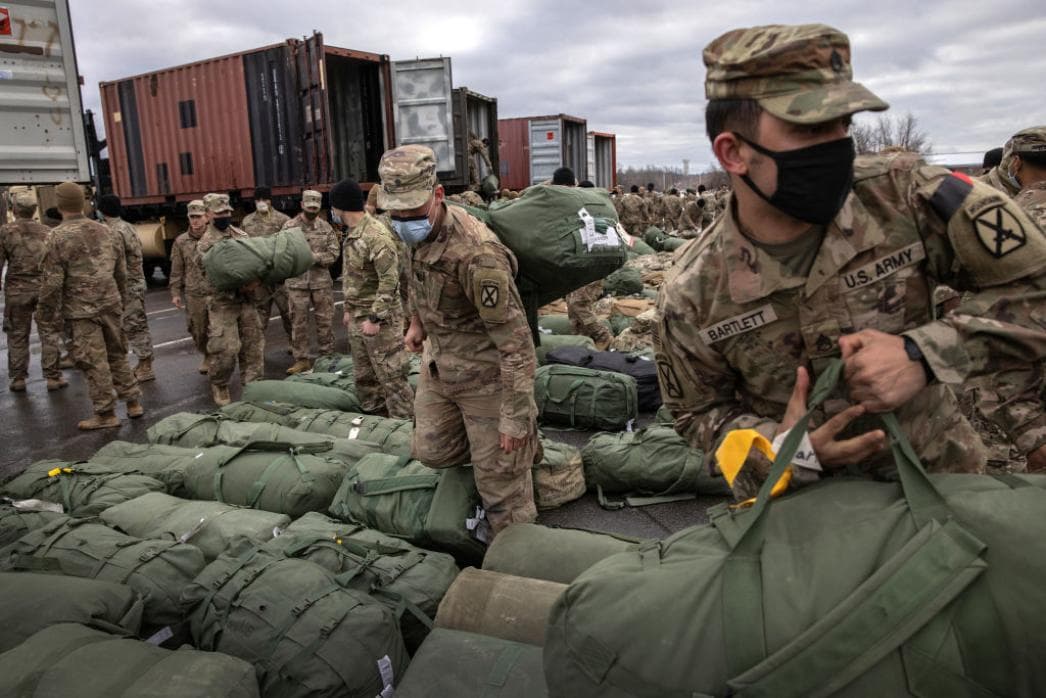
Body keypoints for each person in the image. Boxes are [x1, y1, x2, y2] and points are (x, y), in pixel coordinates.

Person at [655, 23, 1046, 501]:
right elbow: (697, 415)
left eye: (844, 125)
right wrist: (785, 451)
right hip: (805, 517)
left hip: (942, 485)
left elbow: (1036, 285)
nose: (838, 145)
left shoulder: (906, 197)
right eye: (811, 128)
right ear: (733, 152)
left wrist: (924, 354)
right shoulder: (692, 292)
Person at [379, 144, 539, 537]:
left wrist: (515, 419)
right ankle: (505, 458)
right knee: (431, 451)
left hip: (487, 379)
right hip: (441, 366)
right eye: (394, 212)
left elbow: (517, 346)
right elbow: (418, 280)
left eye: (411, 212)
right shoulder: (413, 231)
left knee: (501, 489)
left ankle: (510, 557)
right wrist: (417, 324)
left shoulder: (477, 256)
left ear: (437, 196)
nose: (402, 221)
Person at [38, 182, 142, 428]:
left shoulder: (56, 236)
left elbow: (52, 282)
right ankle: (133, 402)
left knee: (93, 360)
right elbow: (121, 272)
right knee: (117, 353)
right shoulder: (108, 231)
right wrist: (119, 298)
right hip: (110, 303)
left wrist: (45, 313)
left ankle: (105, 414)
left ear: (60, 204)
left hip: (81, 310)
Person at [332, 178, 414, 418]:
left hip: (380, 322)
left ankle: (404, 430)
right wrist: (348, 309)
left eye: (333, 207)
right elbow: (353, 277)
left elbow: (390, 281)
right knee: (365, 378)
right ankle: (376, 425)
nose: (332, 212)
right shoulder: (353, 233)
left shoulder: (376, 235)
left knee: (392, 379)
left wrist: (375, 318)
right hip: (359, 318)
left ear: (340, 206)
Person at [197, 193, 264, 406]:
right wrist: (240, 285)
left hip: (247, 302)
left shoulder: (241, 235)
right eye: (219, 213)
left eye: (227, 212)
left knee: (253, 347)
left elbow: (254, 261)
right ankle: (219, 383)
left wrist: (257, 279)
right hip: (223, 304)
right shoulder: (205, 245)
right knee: (226, 350)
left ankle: (253, 390)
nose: (224, 216)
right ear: (208, 215)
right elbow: (211, 278)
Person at [0, 192, 66, 392]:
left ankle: (18, 378)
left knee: (17, 334)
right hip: (44, 289)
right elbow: (56, 262)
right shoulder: (47, 231)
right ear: (34, 210)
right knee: (49, 332)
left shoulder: (6, 231)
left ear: (15, 210)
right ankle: (53, 377)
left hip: (17, 291)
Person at [97, 194, 155, 382]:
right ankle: (143, 362)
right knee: (136, 323)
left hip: (126, 285)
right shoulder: (127, 226)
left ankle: (145, 365)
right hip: (135, 283)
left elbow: (115, 263)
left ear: (103, 210)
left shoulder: (112, 231)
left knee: (134, 325)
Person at [555, 170, 614, 350]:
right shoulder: (589, 205)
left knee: (577, 303)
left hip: (591, 262)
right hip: (584, 262)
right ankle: (581, 342)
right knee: (573, 307)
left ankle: (603, 336)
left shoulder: (583, 206)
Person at [282, 189, 339, 374]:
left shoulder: (326, 228)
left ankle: (327, 358)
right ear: (302, 205)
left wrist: (315, 257)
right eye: (309, 206)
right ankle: (302, 360)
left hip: (320, 283)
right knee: (298, 323)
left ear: (319, 207)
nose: (312, 210)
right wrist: (297, 258)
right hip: (297, 284)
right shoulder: (289, 227)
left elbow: (334, 253)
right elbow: (281, 253)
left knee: (325, 322)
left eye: (315, 207)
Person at [240, 186, 293, 341]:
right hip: (259, 277)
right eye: (258, 200)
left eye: (265, 199)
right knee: (260, 313)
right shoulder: (247, 221)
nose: (262, 203)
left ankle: (294, 343)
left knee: (288, 312)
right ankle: (257, 346)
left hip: (279, 276)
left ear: (270, 200)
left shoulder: (283, 220)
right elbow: (243, 247)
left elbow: (290, 246)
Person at [169, 199, 211, 373]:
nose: (195, 221)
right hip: (194, 294)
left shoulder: (215, 237)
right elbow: (177, 269)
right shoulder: (181, 241)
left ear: (207, 217)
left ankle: (217, 358)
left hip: (216, 292)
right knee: (198, 330)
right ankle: (206, 354)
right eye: (192, 217)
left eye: (199, 217)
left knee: (220, 330)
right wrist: (175, 292)